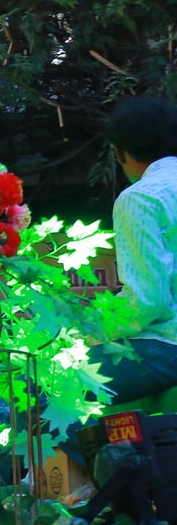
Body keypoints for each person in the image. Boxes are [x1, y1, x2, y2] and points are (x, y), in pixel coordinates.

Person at [92, 97, 177, 403]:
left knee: (34, 384)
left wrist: (88, 330)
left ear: (119, 151)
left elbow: (147, 301)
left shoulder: (141, 198)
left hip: (167, 344)